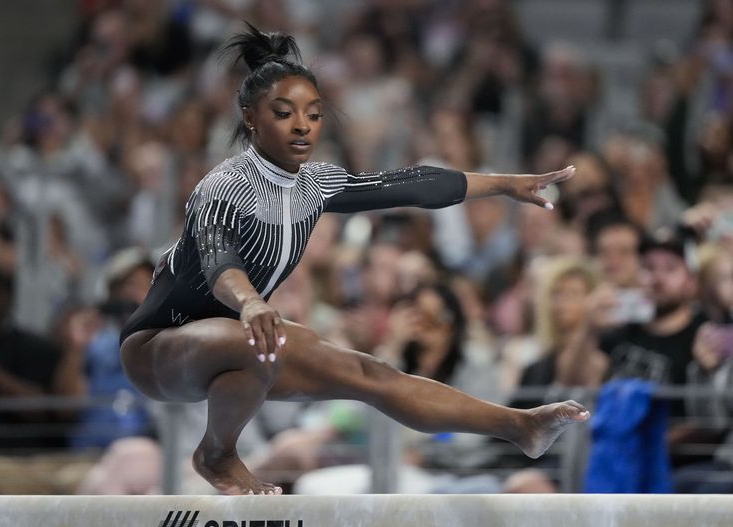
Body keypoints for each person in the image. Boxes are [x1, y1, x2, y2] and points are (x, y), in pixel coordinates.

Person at [119, 23, 589, 496]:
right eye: (283, 113)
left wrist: (504, 183)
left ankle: (518, 426)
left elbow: (415, 184)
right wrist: (250, 302)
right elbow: (220, 258)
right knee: (261, 340)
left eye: (314, 114)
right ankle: (217, 455)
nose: (302, 125)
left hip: (244, 342)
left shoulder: (316, 185)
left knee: (371, 374)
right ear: (250, 118)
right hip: (159, 348)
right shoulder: (221, 186)